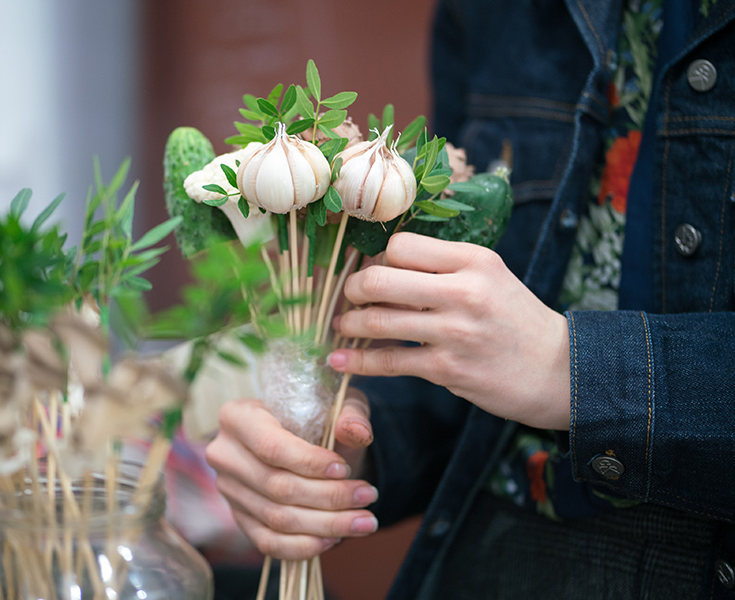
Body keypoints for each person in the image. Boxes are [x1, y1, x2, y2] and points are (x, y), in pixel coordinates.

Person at [205, 0, 735, 598]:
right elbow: (467, 365)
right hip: (490, 563)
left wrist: (574, 368)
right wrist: (342, 453)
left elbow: (528, 357)